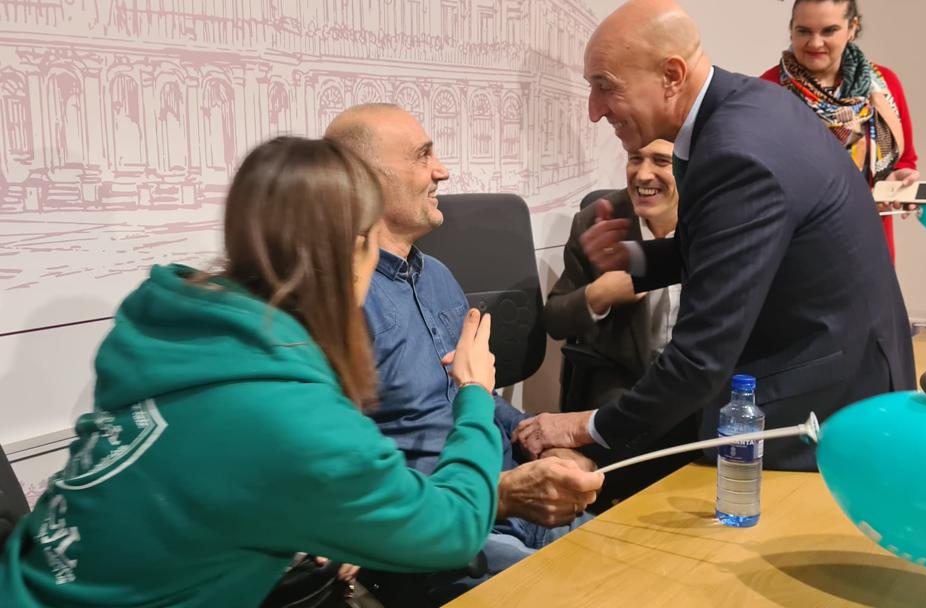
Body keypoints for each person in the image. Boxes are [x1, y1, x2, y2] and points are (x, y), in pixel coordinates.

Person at [0, 137, 505, 607]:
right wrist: (475, 392)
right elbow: (453, 531)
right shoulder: (291, 416)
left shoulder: (165, 324)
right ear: (356, 250)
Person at [512, 0, 915, 472]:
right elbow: (716, 248)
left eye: (606, 88)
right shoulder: (746, 105)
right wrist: (632, 259)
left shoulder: (736, 153)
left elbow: (699, 361)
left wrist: (586, 428)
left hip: (816, 401)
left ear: (672, 74)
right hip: (835, 366)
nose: (594, 111)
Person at [325, 105, 604, 604]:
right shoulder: (337, 302)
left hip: (511, 496)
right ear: (363, 180)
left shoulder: (437, 276)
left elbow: (476, 396)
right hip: (443, 527)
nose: (442, 171)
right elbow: (341, 472)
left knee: (634, 568)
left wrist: (541, 439)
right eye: (422, 156)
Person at [542, 139, 696, 508]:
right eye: (634, 159)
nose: (643, 174)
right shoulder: (599, 219)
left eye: (660, 161)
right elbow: (555, 317)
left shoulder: (717, 221)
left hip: (697, 387)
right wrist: (599, 295)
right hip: (623, 385)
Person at [761, 0, 919, 260]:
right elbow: (758, 181)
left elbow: (905, 159)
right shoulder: (766, 91)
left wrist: (900, 180)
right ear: (791, 29)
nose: (815, 43)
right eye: (804, 31)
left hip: (870, 248)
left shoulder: (885, 85)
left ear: (852, 28)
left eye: (828, 30)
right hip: (797, 253)